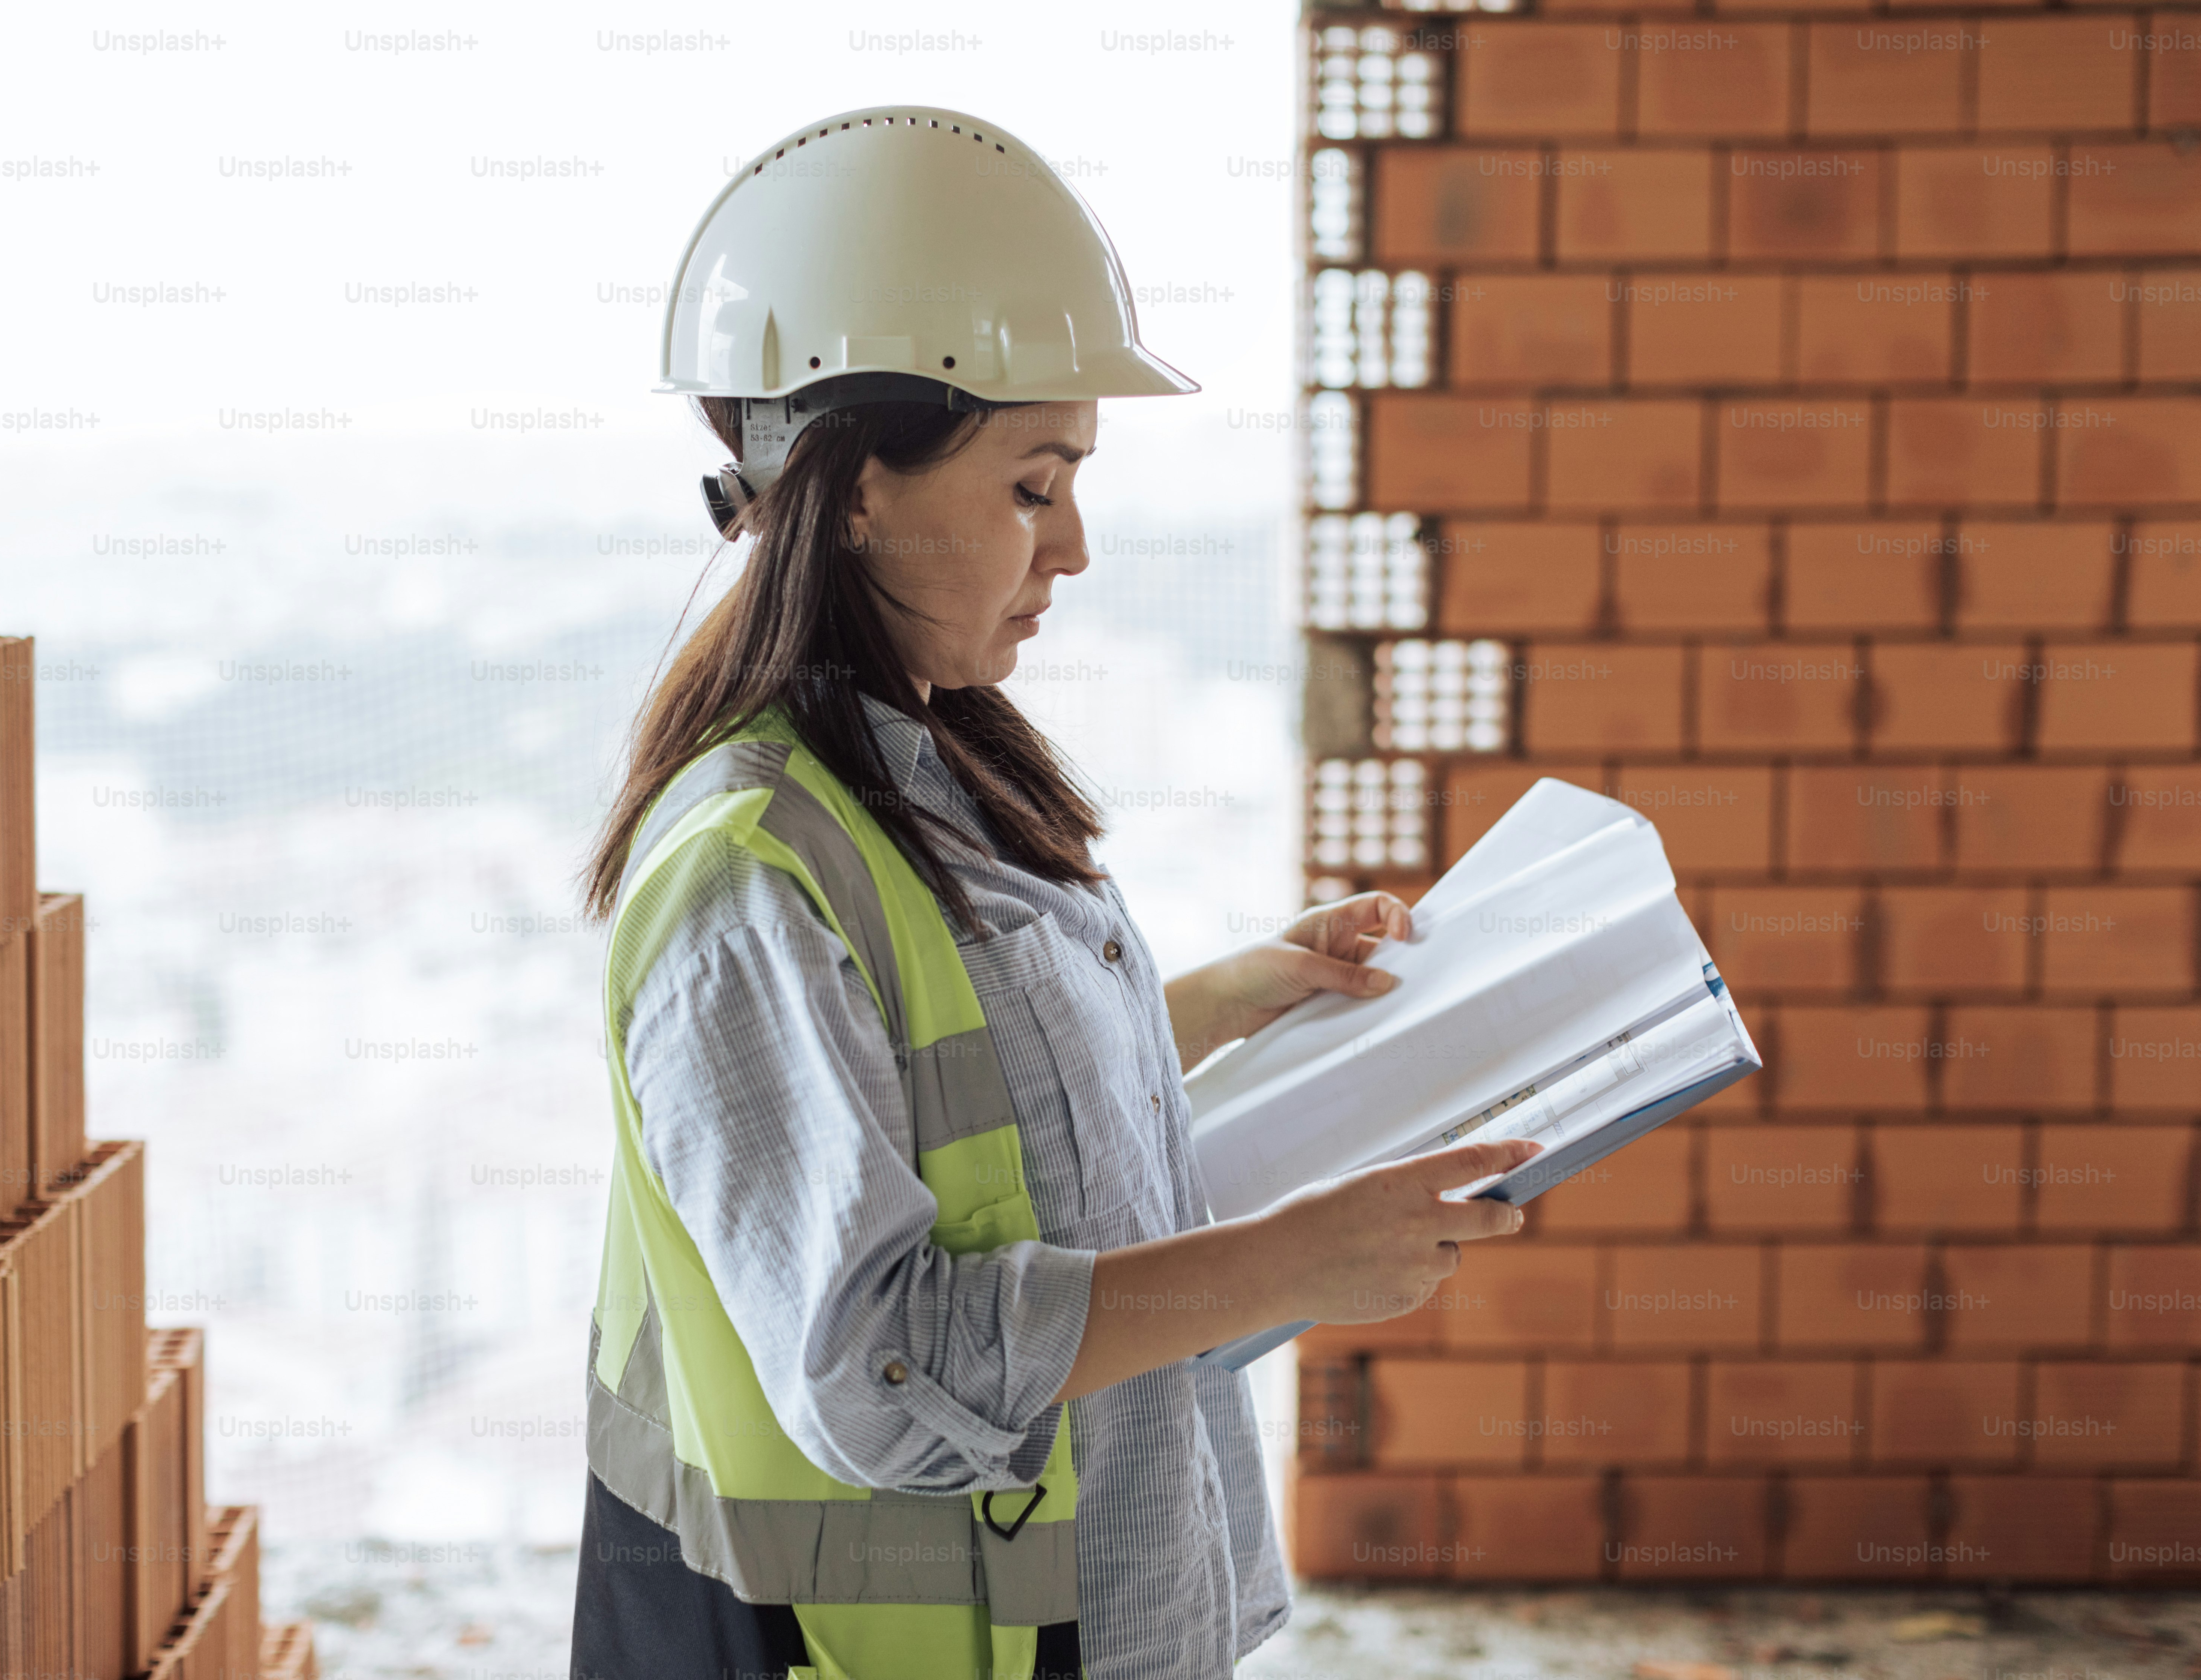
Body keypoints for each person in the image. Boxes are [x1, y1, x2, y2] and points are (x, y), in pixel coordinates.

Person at [569, 105, 1541, 1680]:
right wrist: (1300, 1259)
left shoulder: (924, 775)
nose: (1073, 545)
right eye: (1035, 483)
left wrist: (1234, 997)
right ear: (858, 485)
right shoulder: (745, 878)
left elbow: (965, 1121)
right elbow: (881, 1365)